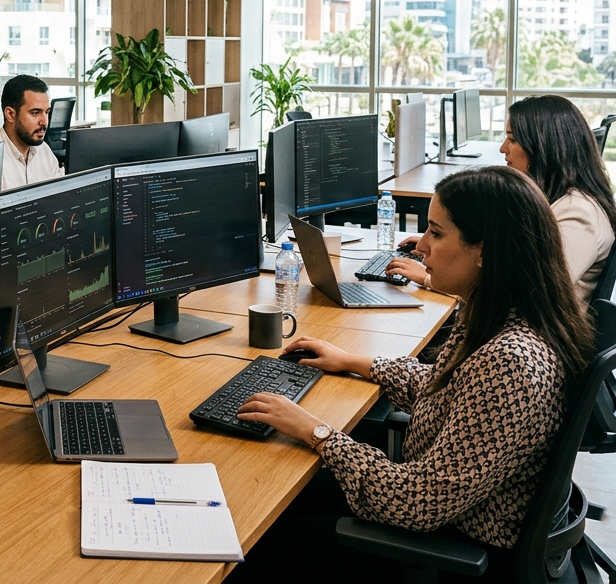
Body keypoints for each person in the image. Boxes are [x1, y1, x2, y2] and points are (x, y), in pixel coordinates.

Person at [229, 166, 595, 584]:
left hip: (453, 546)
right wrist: (355, 362)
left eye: (436, 234)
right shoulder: (505, 313)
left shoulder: (510, 360)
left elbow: (416, 504)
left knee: (252, 541)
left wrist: (316, 431)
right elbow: (452, 391)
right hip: (446, 510)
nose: (421, 247)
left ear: (485, 250)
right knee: (270, 487)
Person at [388, 94, 616, 302]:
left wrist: (429, 279)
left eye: (512, 139)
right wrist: (451, 248)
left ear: (543, 147)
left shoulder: (577, 213)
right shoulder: (553, 198)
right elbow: (518, 259)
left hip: (528, 340)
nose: (502, 148)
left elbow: (530, 292)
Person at [0, 74, 63, 190]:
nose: (44, 122)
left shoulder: (44, 151)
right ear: (10, 114)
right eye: (35, 113)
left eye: (47, 112)